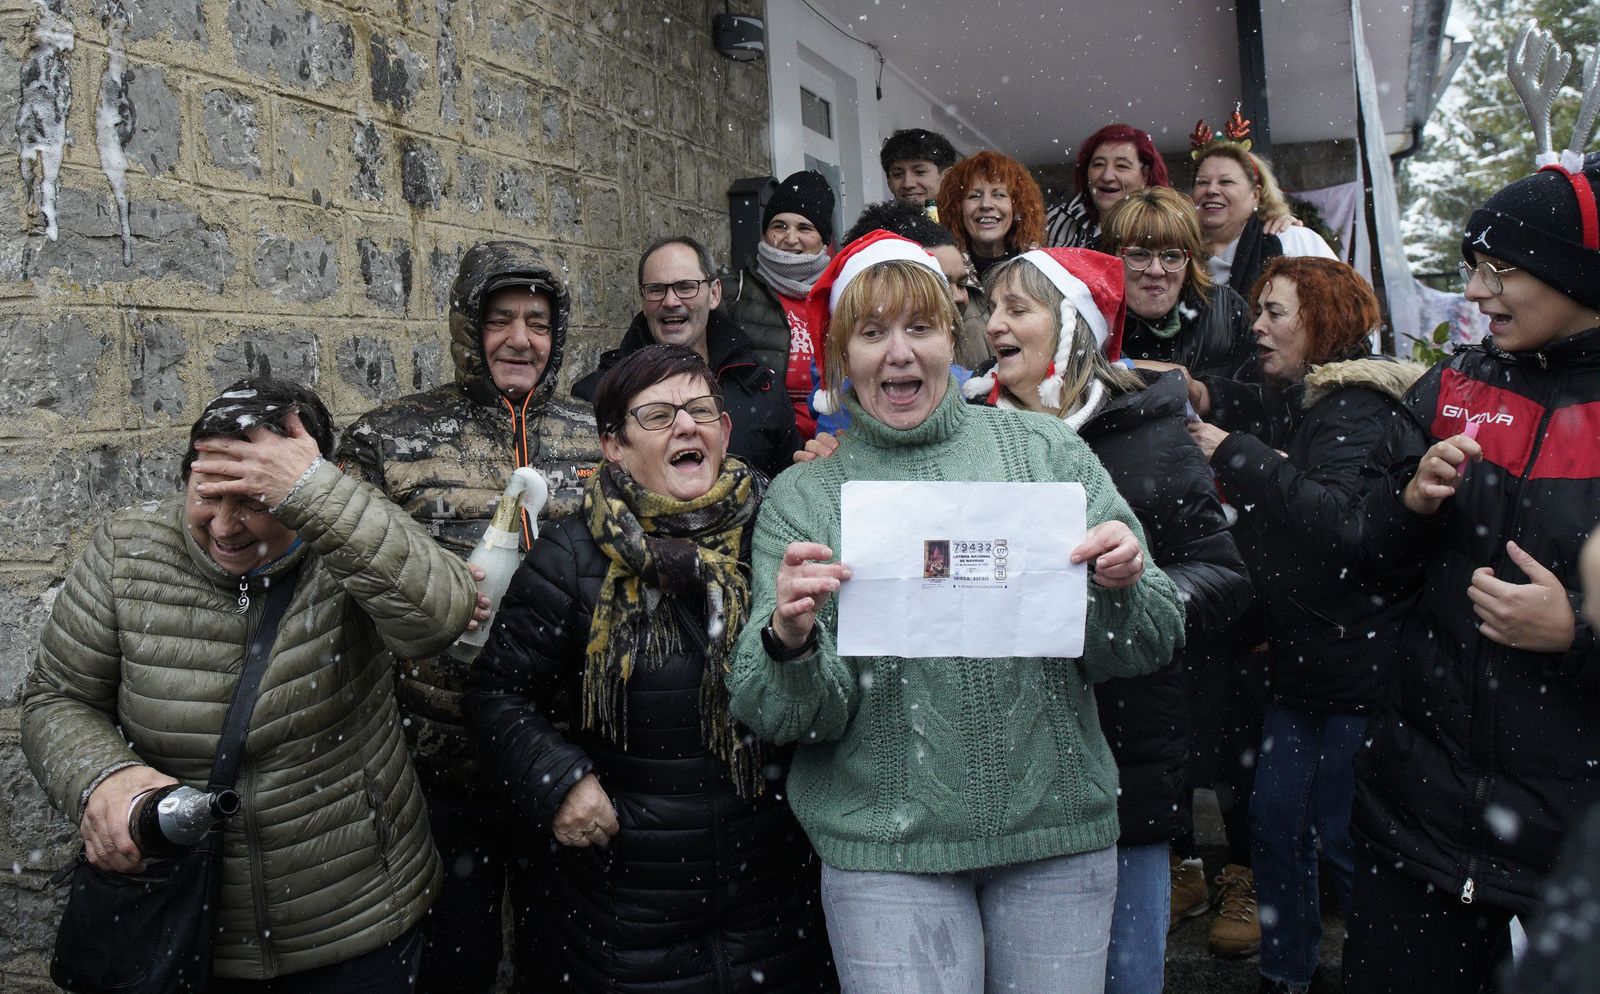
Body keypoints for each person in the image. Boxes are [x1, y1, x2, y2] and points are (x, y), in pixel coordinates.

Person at [727, 231, 1186, 993]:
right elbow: (789, 715)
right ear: (842, 358)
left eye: (919, 328)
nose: (899, 353)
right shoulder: (805, 497)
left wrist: (1121, 583)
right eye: (872, 333)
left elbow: (1144, 643)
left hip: (1054, 836)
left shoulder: (1046, 453)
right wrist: (791, 640)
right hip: (886, 850)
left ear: (953, 338)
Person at [21, 379, 477, 990]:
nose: (226, 527)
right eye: (207, 493)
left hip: (354, 919)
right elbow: (57, 698)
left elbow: (440, 618)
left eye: (256, 500)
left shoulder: (347, 546)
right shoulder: (125, 551)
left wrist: (319, 492)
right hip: (181, 922)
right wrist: (102, 776)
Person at [465, 344, 836, 994]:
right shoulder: (572, 556)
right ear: (613, 444)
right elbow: (496, 695)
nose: (686, 427)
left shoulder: (781, 529)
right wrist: (559, 781)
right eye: (658, 415)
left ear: (725, 430)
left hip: (778, 900)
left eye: (699, 411)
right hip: (628, 912)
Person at [1335, 153, 1600, 994]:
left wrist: (1576, 637)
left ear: (1575, 276)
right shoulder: (1451, 388)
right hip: (1421, 818)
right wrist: (1409, 502)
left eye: (1502, 271)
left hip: (1575, 844)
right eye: (1472, 269)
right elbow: (1364, 555)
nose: (1476, 294)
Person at [965, 248, 1252, 994]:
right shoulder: (959, 427)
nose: (994, 323)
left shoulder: (1147, 431)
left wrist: (1137, 592)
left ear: (1073, 329)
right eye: (991, 308)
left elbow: (1223, 575)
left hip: (1124, 757)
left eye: (1018, 308)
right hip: (992, 757)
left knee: (1123, 976)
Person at [336, 240, 601, 993]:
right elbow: (348, 576)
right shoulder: (391, 438)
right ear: (466, 328)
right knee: (456, 958)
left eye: (540, 322)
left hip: (567, 749)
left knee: (565, 959)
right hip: (438, 759)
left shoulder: (596, 436)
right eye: (502, 320)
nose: (521, 339)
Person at [1187, 257, 1422, 994]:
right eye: (1257, 311)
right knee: (1276, 828)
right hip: (1304, 662)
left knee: (1343, 841)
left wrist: (1237, 454)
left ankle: (1379, 975)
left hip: (1355, 671)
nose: (1257, 327)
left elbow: (1343, 527)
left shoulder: (1356, 408)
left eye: (1275, 312)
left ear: (1322, 321)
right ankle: (1288, 976)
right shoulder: (1305, 403)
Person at [575, 236, 801, 480]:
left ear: (714, 294)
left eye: (685, 287)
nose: (671, 301)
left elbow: (789, 486)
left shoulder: (760, 387)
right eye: (656, 289)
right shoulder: (598, 395)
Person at [721, 169, 835, 439]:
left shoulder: (841, 293)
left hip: (833, 444)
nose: (790, 238)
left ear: (824, 239)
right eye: (779, 226)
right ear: (765, 233)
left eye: (805, 228)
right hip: (764, 445)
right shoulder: (732, 291)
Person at [1099, 186, 1256, 378]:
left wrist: (1207, 395)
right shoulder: (1088, 322)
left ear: (1190, 264)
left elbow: (1264, 392)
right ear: (1110, 259)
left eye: (1172, 256)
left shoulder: (1226, 310)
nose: (1155, 270)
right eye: (1139, 255)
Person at [842, 199, 989, 371]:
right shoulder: (836, 391)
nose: (958, 297)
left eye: (962, 284)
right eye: (940, 283)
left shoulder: (980, 336)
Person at [1191, 139, 1334, 295]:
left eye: (1226, 182)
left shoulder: (1291, 240)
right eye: (1202, 182)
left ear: (1256, 195)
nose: (1211, 190)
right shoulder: (1180, 251)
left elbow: (1341, 305)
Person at [1045, 124, 1171, 249]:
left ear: (1146, 175)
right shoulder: (1053, 221)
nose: (1107, 176)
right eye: (1098, 164)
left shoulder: (1168, 229)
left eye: (1122, 166)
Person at [935, 149, 1047, 283]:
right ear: (958, 208)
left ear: (1017, 206)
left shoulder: (1040, 270)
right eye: (974, 196)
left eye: (999, 195)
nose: (986, 204)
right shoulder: (940, 268)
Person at [880, 127, 958, 207]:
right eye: (898, 174)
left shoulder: (967, 217)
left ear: (947, 176)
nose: (908, 184)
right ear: (889, 182)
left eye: (919, 172)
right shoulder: (877, 219)